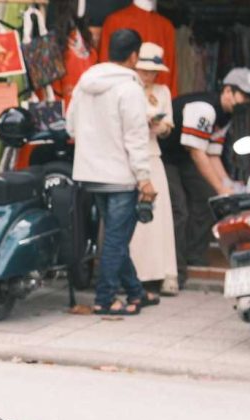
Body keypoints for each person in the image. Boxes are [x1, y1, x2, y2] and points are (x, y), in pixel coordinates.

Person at [68, 27, 156, 316]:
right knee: (116, 241)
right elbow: (136, 138)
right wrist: (144, 178)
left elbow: (71, 126)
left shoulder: (86, 81)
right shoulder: (130, 89)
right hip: (120, 177)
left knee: (116, 238)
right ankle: (104, 299)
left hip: (91, 174)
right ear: (133, 56)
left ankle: (135, 292)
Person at [161, 68, 250, 285]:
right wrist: (220, 187)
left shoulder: (226, 115)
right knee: (179, 209)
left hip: (184, 155)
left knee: (208, 200)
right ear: (228, 91)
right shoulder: (204, 108)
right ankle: (175, 271)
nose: (247, 101)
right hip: (165, 155)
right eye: (244, 95)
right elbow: (197, 153)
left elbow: (213, 154)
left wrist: (227, 187)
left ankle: (194, 255)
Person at [129, 42, 180, 296]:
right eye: (145, 70)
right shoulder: (127, 89)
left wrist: (159, 126)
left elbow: (168, 126)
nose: (149, 75)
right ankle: (134, 273)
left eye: (153, 71)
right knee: (135, 218)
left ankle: (164, 273)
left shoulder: (162, 91)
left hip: (152, 153)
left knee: (159, 216)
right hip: (130, 156)